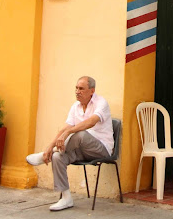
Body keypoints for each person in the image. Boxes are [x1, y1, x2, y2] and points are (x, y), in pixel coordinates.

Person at [26, 76, 114, 211]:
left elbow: (91, 122)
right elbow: (64, 129)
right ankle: (66, 198)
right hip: (81, 150)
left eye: (81, 89)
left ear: (92, 90)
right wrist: (49, 146)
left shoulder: (101, 103)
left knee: (80, 134)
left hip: (101, 149)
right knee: (58, 157)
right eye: (76, 88)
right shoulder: (75, 107)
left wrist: (69, 132)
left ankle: (48, 154)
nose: (77, 91)